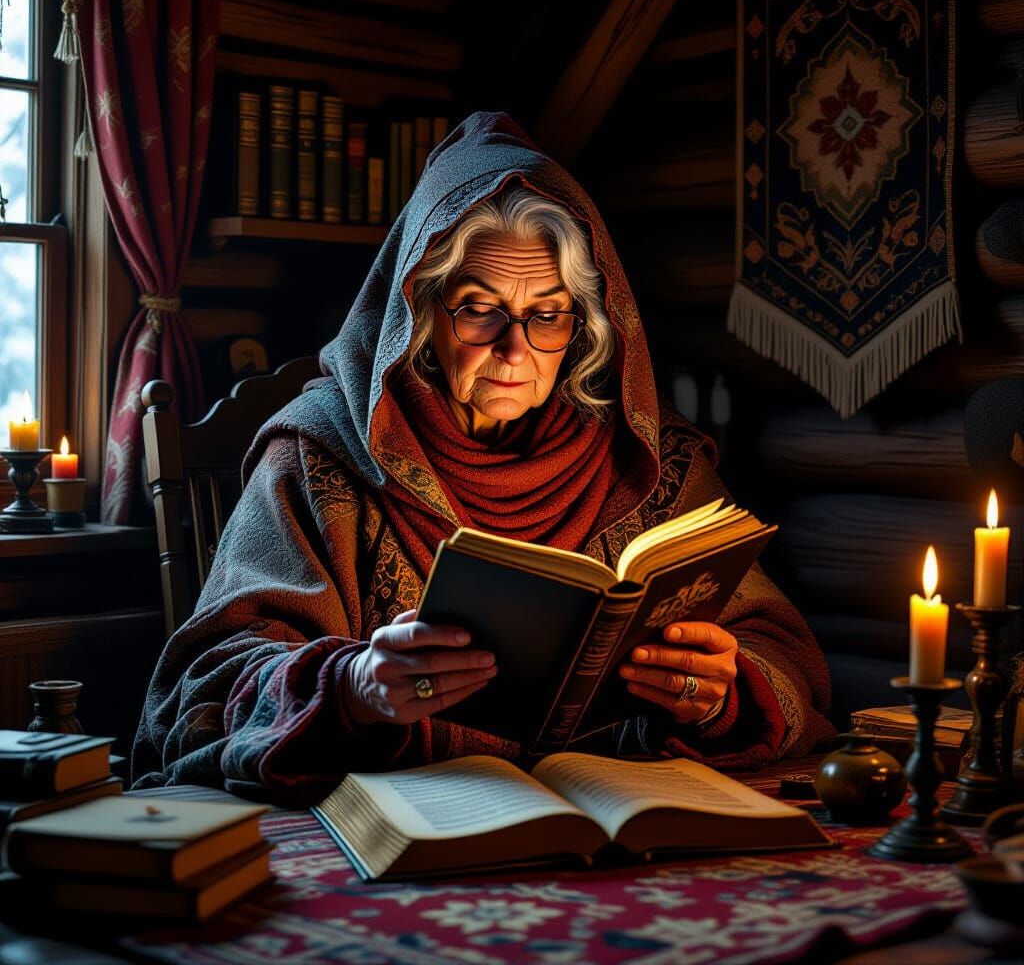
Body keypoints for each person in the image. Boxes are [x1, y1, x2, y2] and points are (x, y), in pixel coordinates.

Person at [132, 112, 834, 804]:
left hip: (616, 815)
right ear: (419, 313)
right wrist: (351, 687)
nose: (515, 347)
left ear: (585, 324)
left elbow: (786, 658)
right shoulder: (321, 459)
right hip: (399, 825)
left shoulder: (651, 464)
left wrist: (717, 692)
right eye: (479, 307)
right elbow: (202, 694)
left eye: (548, 314)